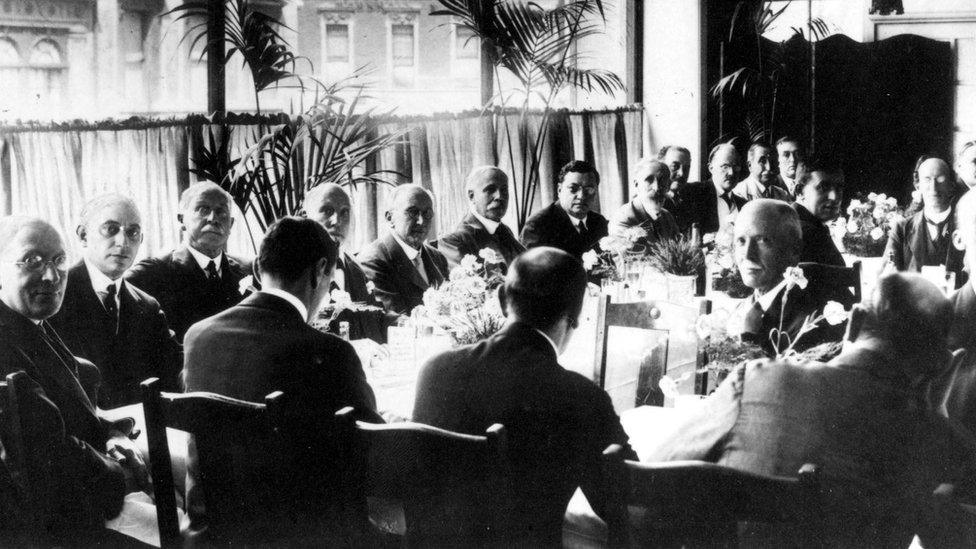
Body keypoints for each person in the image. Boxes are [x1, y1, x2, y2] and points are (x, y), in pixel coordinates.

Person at [646, 272, 976, 548]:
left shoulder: (758, 381)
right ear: (939, 363)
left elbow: (647, 480)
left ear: (854, 321)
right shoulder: (940, 442)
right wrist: (936, 410)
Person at [413, 247, 635, 546]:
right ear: (576, 318)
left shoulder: (435, 371)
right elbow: (627, 504)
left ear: (503, 300)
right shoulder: (579, 396)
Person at [182, 216, 380, 541]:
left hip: (211, 534)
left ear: (259, 269)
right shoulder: (329, 351)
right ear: (319, 271)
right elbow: (375, 455)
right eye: (330, 280)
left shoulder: (198, 336)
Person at [0, 217, 149, 546]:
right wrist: (120, 471)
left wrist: (110, 435)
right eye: (32, 261)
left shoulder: (31, 322)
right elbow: (52, 455)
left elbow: (72, 408)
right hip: (57, 524)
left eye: (58, 260)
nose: (51, 276)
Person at [49, 194, 181, 409]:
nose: (123, 242)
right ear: (83, 235)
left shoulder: (148, 306)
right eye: (111, 229)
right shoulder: (54, 297)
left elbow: (172, 375)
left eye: (132, 232)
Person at [126, 182, 250, 342]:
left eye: (221, 212)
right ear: (181, 220)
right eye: (203, 209)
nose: (213, 218)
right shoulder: (150, 274)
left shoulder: (246, 273)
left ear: (231, 225)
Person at [732, 199, 844, 355]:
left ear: (795, 250)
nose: (747, 255)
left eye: (762, 240)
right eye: (741, 241)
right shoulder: (744, 308)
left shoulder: (813, 320)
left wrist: (748, 338)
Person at [304, 183, 400, 341]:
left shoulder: (355, 266)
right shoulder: (294, 269)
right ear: (305, 215)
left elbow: (375, 317)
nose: (337, 221)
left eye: (344, 213)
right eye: (327, 211)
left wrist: (410, 323)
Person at [358, 184, 449, 315]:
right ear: (390, 218)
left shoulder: (438, 257)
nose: (421, 221)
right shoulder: (373, 260)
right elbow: (393, 319)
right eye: (412, 212)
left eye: (427, 213)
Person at [885, 157, 964, 285]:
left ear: (951, 185)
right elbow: (887, 280)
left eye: (940, 179)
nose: (933, 187)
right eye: (927, 179)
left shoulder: (968, 227)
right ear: (918, 186)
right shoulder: (901, 228)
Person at [438, 166, 525, 267]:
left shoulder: (505, 231)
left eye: (504, 190)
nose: (499, 196)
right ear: (471, 196)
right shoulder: (454, 241)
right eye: (490, 190)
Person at [520, 160, 609, 258]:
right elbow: (532, 271)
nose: (581, 196)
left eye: (589, 189)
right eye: (573, 189)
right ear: (559, 190)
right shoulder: (538, 225)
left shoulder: (599, 222)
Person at [610, 159, 680, 249]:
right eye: (649, 180)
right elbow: (625, 260)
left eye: (662, 180)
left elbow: (679, 253)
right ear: (636, 184)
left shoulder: (667, 217)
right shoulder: (622, 218)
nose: (657, 188)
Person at [791, 158, 846, 266]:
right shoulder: (809, 234)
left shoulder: (793, 219)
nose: (834, 197)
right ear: (799, 191)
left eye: (839, 187)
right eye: (823, 187)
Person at [658, 146, 711, 235]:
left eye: (686, 168)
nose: (682, 173)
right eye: (675, 166)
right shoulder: (652, 199)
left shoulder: (693, 194)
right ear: (661, 167)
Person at [701, 143, 748, 235]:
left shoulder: (743, 205)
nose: (731, 173)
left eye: (736, 166)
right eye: (725, 166)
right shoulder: (696, 195)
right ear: (711, 168)